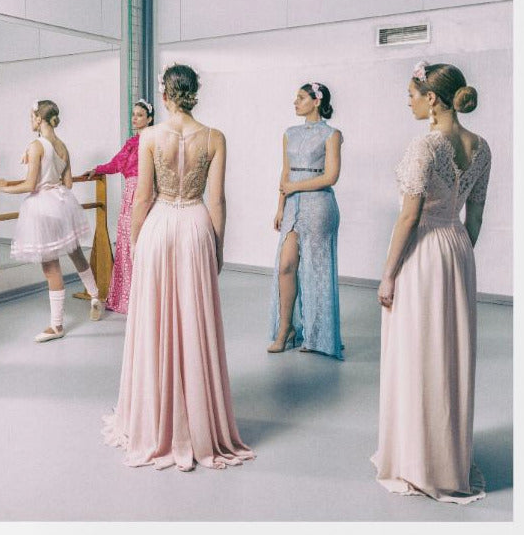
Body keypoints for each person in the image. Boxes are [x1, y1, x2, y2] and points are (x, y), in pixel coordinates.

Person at [103, 63, 254, 471]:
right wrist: (218, 246)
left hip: (160, 226)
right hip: (196, 225)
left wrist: (133, 242)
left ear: (165, 95)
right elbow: (218, 201)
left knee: (155, 321)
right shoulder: (214, 138)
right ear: (193, 93)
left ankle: (155, 421)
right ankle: (199, 424)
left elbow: (142, 198)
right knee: (194, 318)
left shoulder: (150, 136)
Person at [372, 61, 491, 504]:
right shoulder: (481, 147)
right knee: (449, 353)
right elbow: (474, 216)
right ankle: (446, 458)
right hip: (458, 250)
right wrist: (459, 253)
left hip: (423, 252)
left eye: (412, 94)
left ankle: (417, 460)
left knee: (417, 351)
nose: (409, 101)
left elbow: (409, 216)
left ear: (433, 99)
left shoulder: (425, 148)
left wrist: (388, 274)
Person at [0, 100, 102, 343]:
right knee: (75, 252)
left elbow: (30, 185)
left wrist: (3, 188)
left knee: (50, 265)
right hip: (63, 203)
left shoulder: (36, 146)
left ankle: (56, 325)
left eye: (31, 117)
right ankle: (95, 296)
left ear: (38, 119)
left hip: (43, 207)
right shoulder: (62, 145)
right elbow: (68, 184)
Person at [267, 83, 344, 358]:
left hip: (319, 204)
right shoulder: (290, 133)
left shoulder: (332, 134)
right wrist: (280, 207)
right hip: (292, 205)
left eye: (300, 98)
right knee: (286, 266)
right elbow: (285, 172)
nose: (295, 102)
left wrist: (296, 188)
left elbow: (331, 176)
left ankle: (318, 335)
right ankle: (285, 329)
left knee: (316, 269)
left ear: (316, 101)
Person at [82, 99, 154, 314]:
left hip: (146, 193)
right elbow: (116, 163)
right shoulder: (132, 142)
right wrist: (97, 169)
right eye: (133, 114)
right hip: (130, 194)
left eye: (140, 115)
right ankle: (128, 297)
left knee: (144, 243)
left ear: (149, 118)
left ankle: (147, 298)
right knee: (125, 242)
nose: (135, 118)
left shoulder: (156, 140)